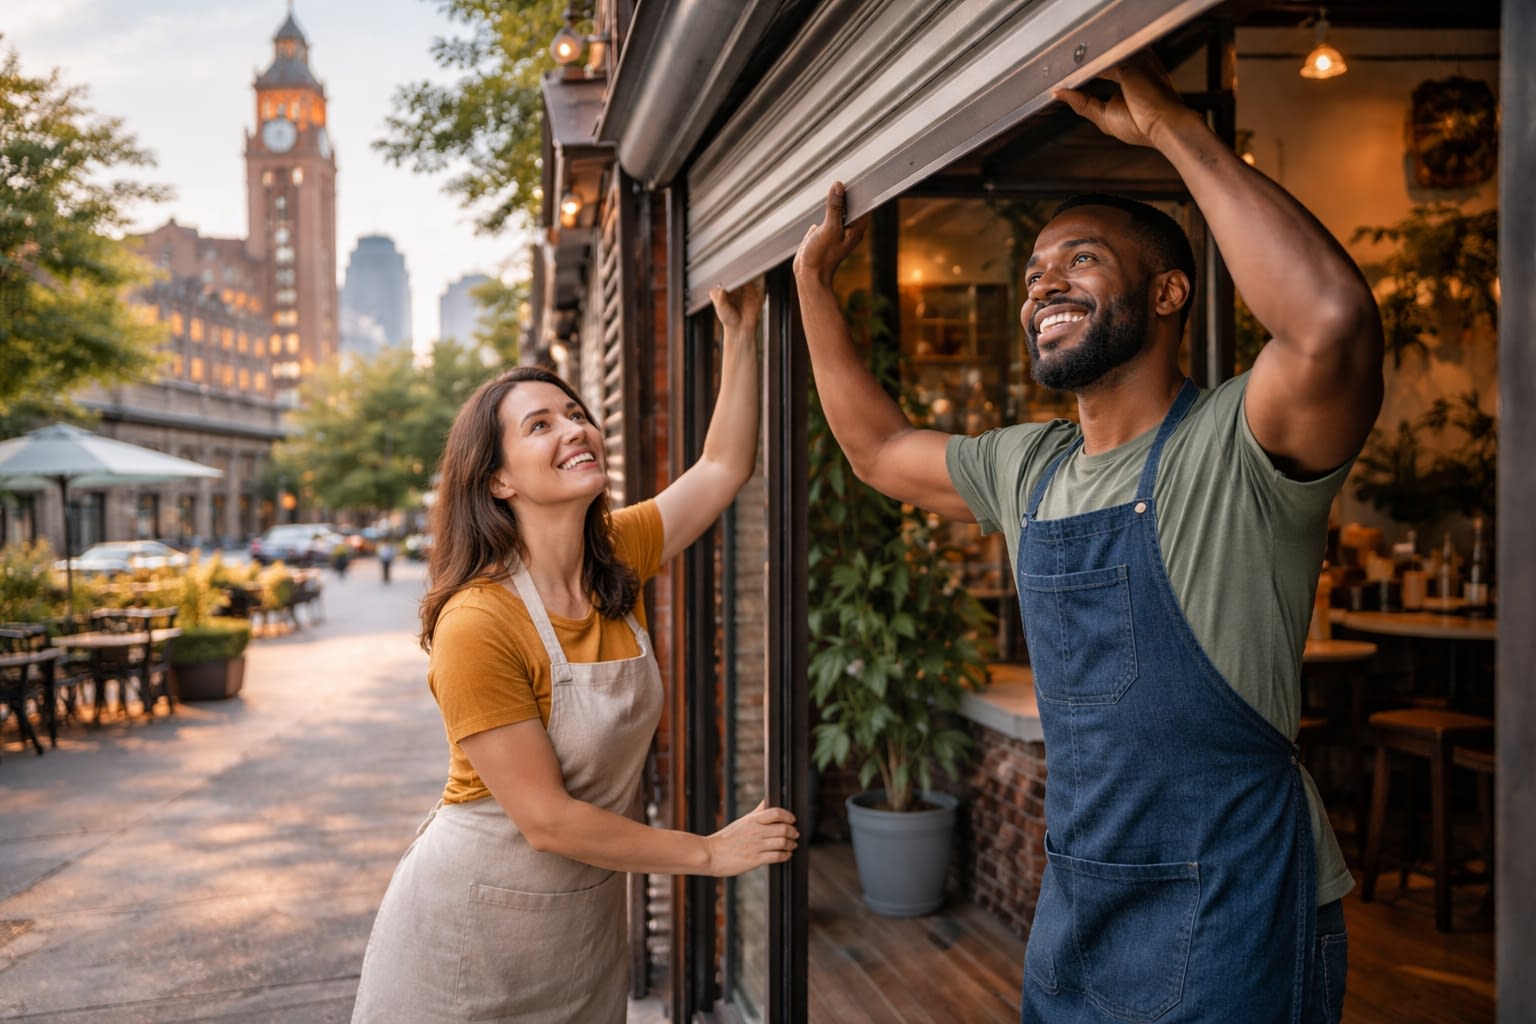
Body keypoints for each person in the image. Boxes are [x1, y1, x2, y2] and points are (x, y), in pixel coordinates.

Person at [794, 52, 1382, 1024]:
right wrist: (814, 283)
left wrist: (1170, 130)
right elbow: (878, 449)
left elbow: (1332, 325)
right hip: (1078, 901)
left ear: (1167, 294)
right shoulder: (1030, 466)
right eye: (1032, 274)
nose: (1042, 286)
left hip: (1239, 898)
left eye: (1080, 261)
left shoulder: (1235, 444)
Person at [351, 280, 797, 1023]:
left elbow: (722, 468)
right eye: (541, 425)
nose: (576, 429)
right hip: (469, 932)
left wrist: (741, 334)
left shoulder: (615, 553)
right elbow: (548, 821)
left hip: (583, 926)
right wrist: (711, 854)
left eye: (579, 414)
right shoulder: (478, 624)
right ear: (497, 478)